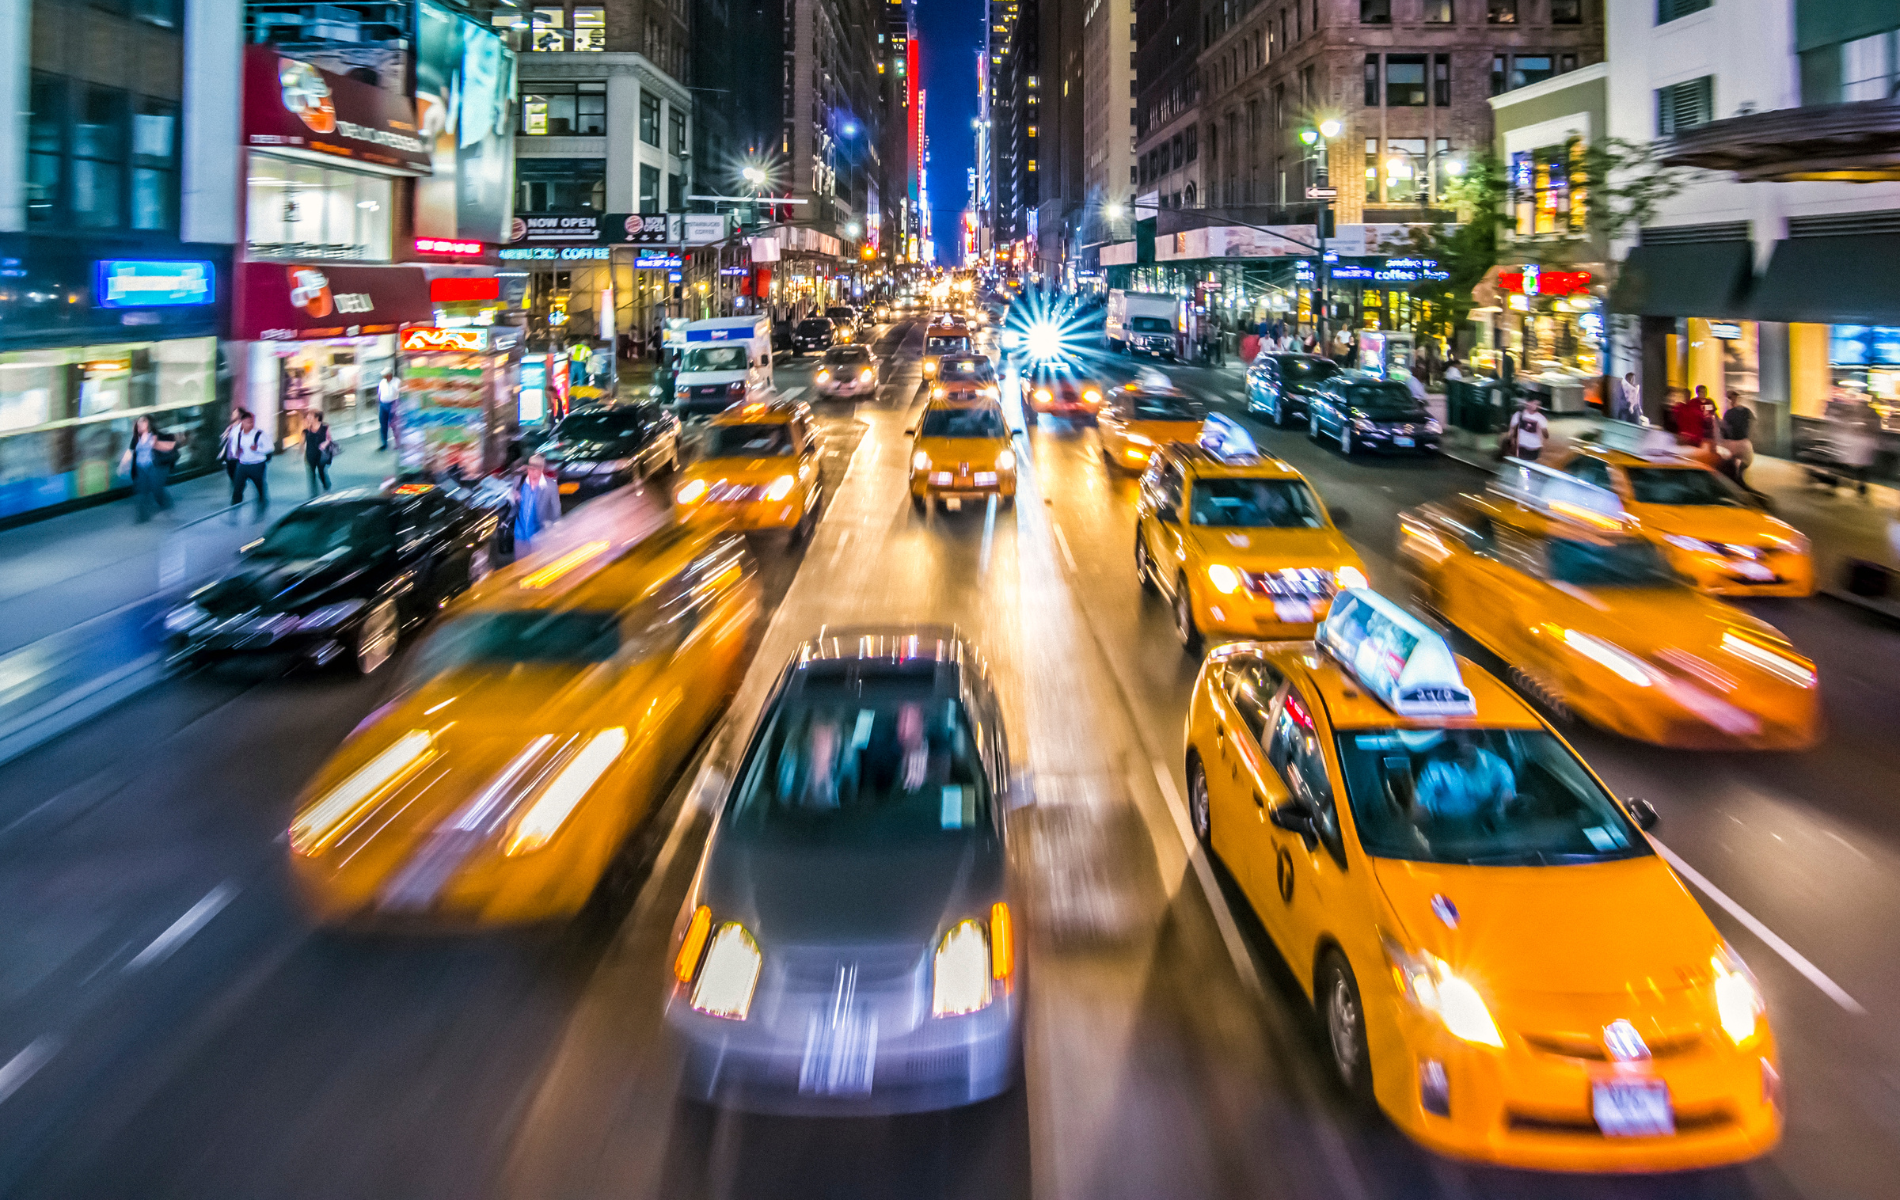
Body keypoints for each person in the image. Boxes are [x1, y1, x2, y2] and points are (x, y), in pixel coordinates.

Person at [1415, 736, 1516, 822]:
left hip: (1487, 836)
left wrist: (1504, 806)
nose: (1453, 750)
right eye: (1449, 742)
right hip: (1443, 834)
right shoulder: (1435, 767)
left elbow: (1507, 799)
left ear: (1474, 739)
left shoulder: (1498, 767)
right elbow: (1419, 807)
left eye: (1456, 744)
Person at [120, 415, 178, 522]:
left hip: (154, 466)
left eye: (143, 422)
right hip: (140, 467)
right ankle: (142, 517)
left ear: (149, 424)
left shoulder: (156, 435)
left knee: (157, 489)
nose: (140, 425)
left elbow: (167, 447)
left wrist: (155, 443)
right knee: (141, 491)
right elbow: (130, 451)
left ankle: (167, 507)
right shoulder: (136, 438)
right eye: (139, 423)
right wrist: (123, 465)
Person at [223, 410, 272, 508]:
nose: (251, 424)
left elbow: (270, 448)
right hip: (243, 465)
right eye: (248, 422)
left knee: (260, 486)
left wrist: (257, 448)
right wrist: (237, 451)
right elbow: (233, 446)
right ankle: (235, 506)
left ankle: (262, 503)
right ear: (242, 422)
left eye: (252, 421)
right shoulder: (236, 433)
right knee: (237, 488)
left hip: (257, 465)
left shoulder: (259, 434)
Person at [513, 453, 562, 551]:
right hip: (520, 536)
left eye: (536, 467)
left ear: (542, 469)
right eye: (530, 467)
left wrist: (556, 532)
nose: (533, 470)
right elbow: (512, 504)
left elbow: (556, 510)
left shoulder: (550, 486)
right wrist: (515, 496)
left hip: (539, 536)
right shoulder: (519, 481)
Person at [1717, 390, 1756, 487]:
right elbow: (1725, 427)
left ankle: (1738, 477)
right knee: (1733, 462)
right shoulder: (1730, 413)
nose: (1732, 400)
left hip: (1740, 441)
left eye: (1733, 397)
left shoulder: (1743, 411)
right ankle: (1736, 479)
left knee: (1746, 460)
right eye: (1730, 398)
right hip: (1733, 441)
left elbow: (1753, 422)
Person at [1503, 394, 1550, 461]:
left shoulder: (1541, 418)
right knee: (1522, 465)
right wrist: (1511, 439)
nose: (1535, 406)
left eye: (1537, 404)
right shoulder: (1519, 414)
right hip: (1522, 445)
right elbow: (1512, 428)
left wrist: (1543, 429)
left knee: (1532, 465)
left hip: (1535, 446)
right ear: (1528, 403)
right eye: (1534, 403)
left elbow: (1546, 436)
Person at [302, 410, 337, 495]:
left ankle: (326, 486)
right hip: (310, 454)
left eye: (310, 416)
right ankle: (314, 495)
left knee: (321, 472)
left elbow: (329, 439)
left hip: (321, 454)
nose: (308, 418)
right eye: (308, 416)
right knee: (312, 475)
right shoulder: (307, 429)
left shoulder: (325, 427)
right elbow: (302, 443)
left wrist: (324, 444)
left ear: (316, 418)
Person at [216, 405, 243, 489]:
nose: (232, 415)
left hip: (238, 457)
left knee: (236, 476)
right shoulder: (230, 428)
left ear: (239, 415)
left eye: (234, 413)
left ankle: (238, 494)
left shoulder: (242, 428)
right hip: (229, 457)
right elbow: (222, 440)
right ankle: (237, 490)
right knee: (231, 474)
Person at [376, 369, 400, 450]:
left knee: (394, 424)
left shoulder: (396, 381)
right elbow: (379, 394)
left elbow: (398, 391)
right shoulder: (382, 382)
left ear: (389, 375)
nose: (384, 377)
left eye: (386, 375)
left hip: (393, 403)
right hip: (383, 404)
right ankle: (384, 443)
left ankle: (398, 443)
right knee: (383, 424)